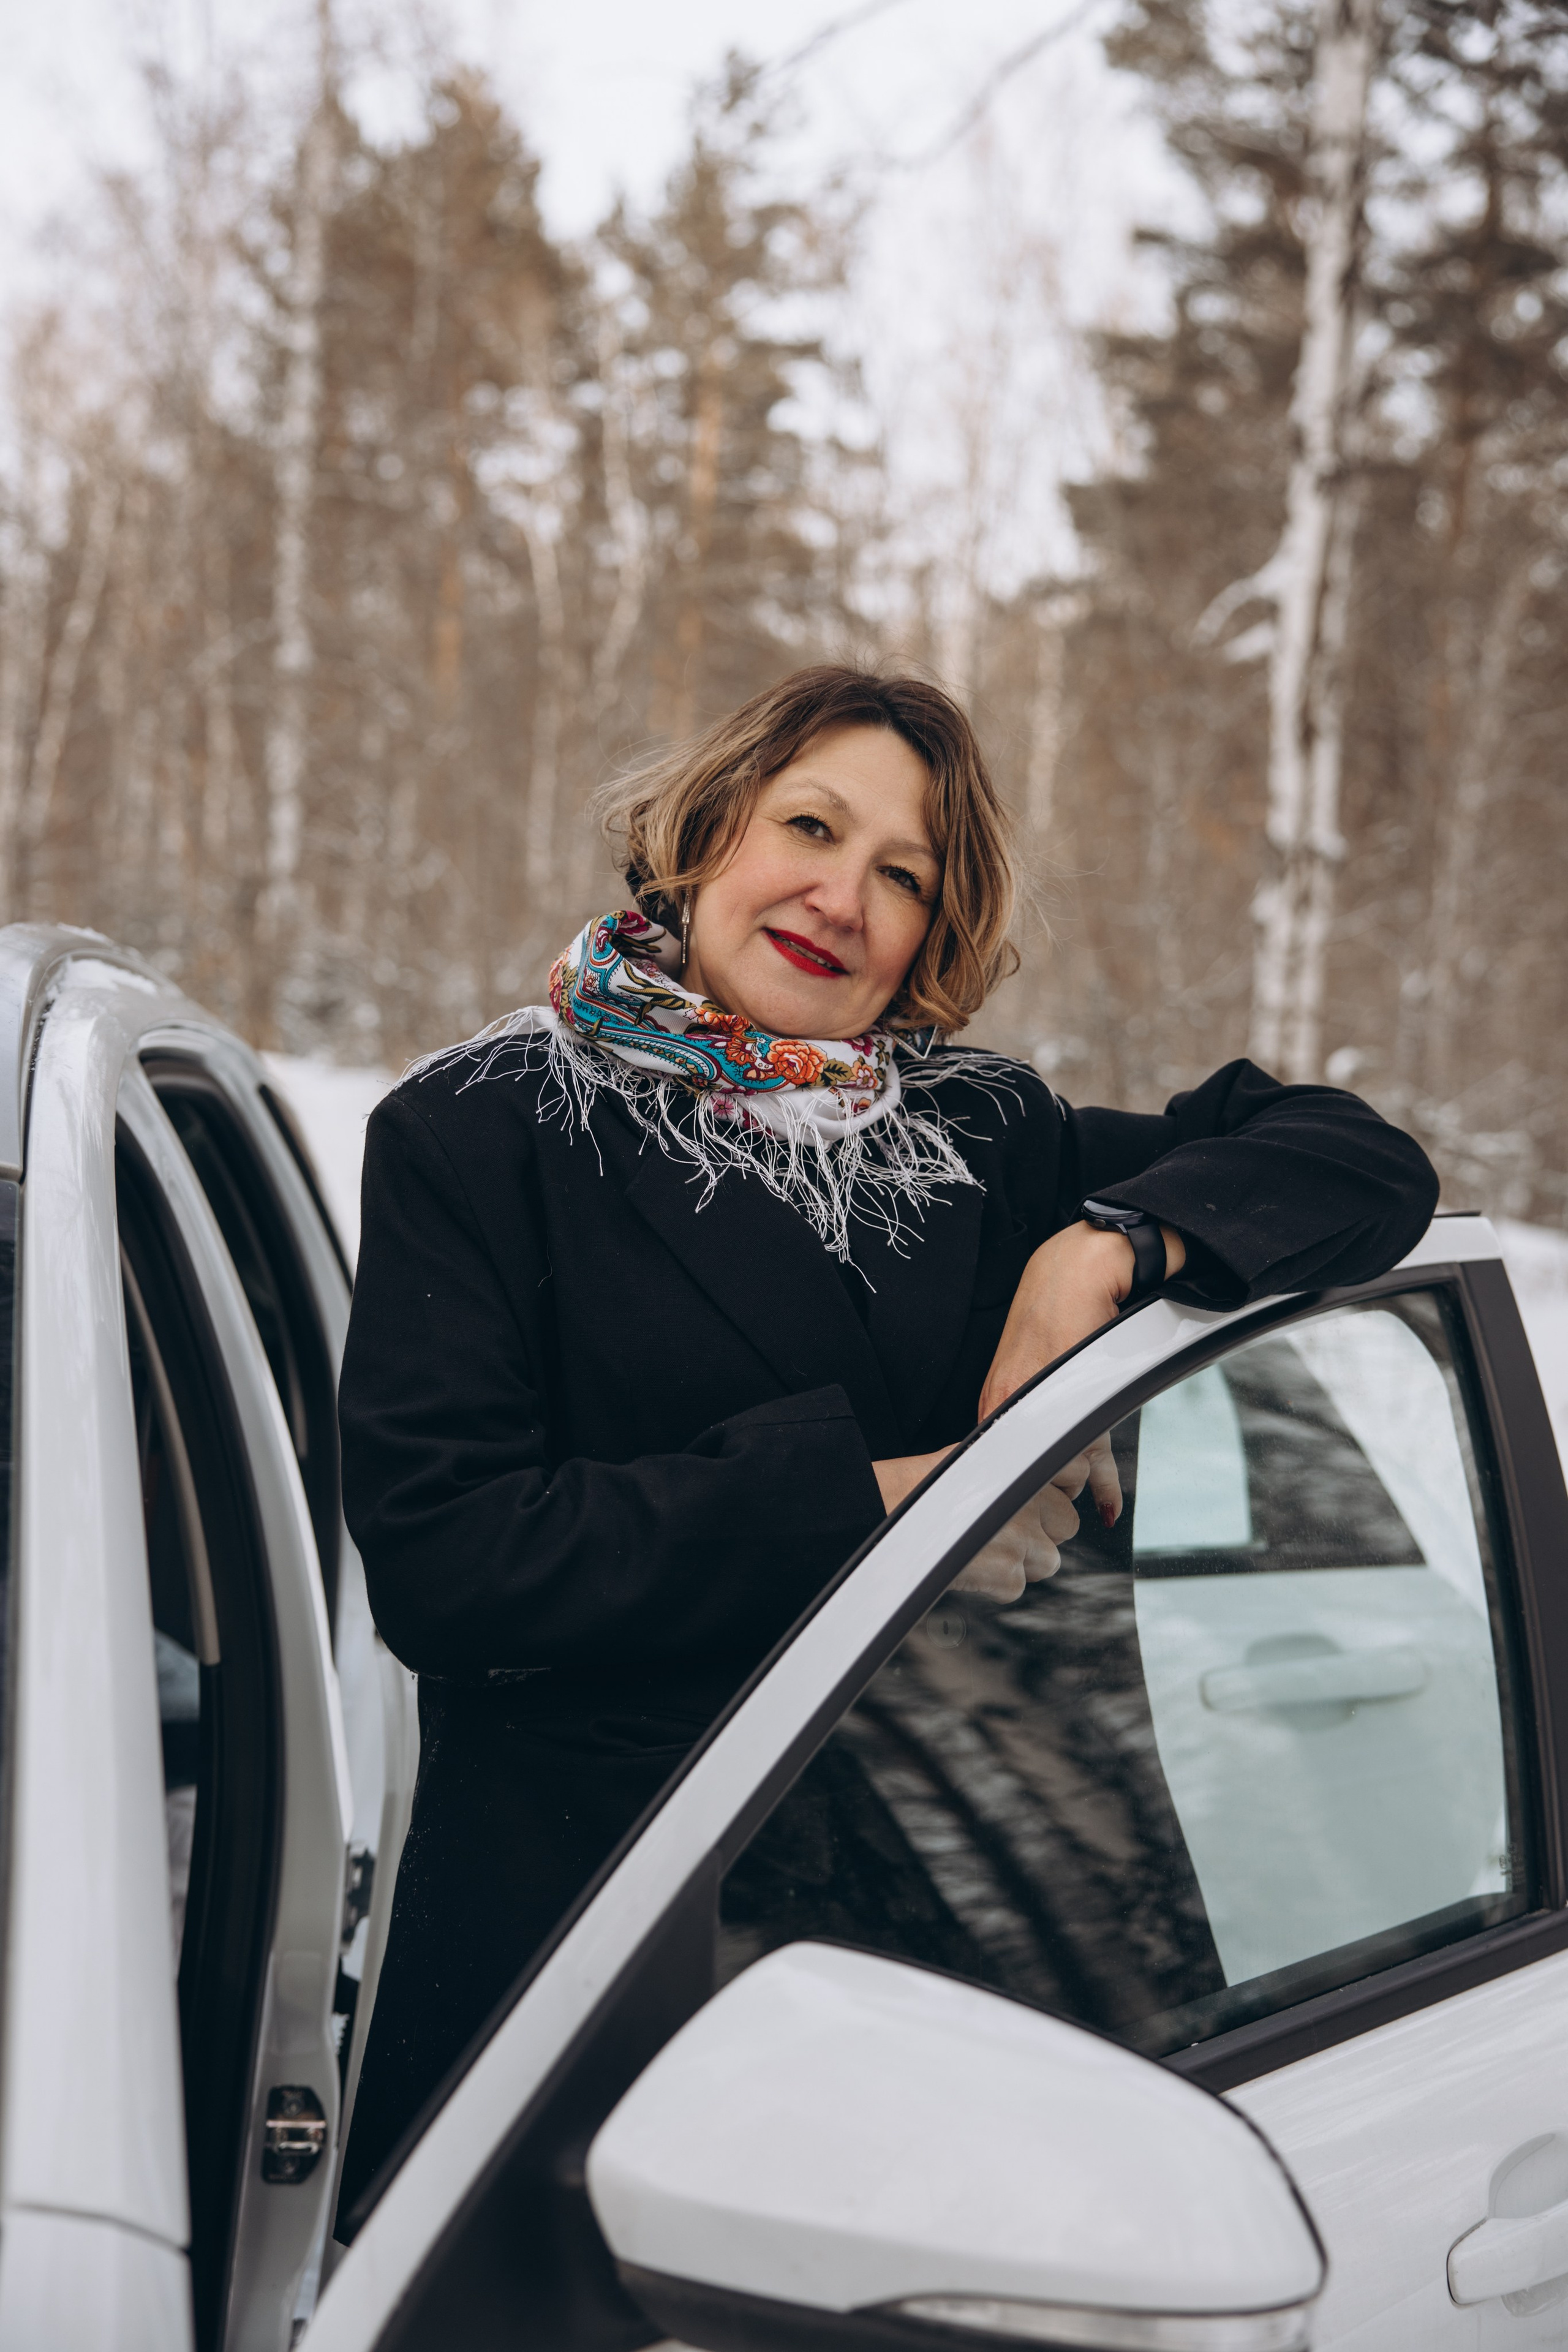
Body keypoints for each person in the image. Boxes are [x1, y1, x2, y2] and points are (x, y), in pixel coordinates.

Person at [333, 664, 1438, 2226]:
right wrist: (897, 1510)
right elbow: (449, 1560)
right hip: (611, 1950)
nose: (841, 899)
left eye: (902, 875)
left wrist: (1110, 1248)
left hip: (975, 1938)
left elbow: (1354, 1159)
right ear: (708, 828)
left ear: (934, 929)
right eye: (809, 826)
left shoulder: (986, 1138)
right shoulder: (480, 1130)